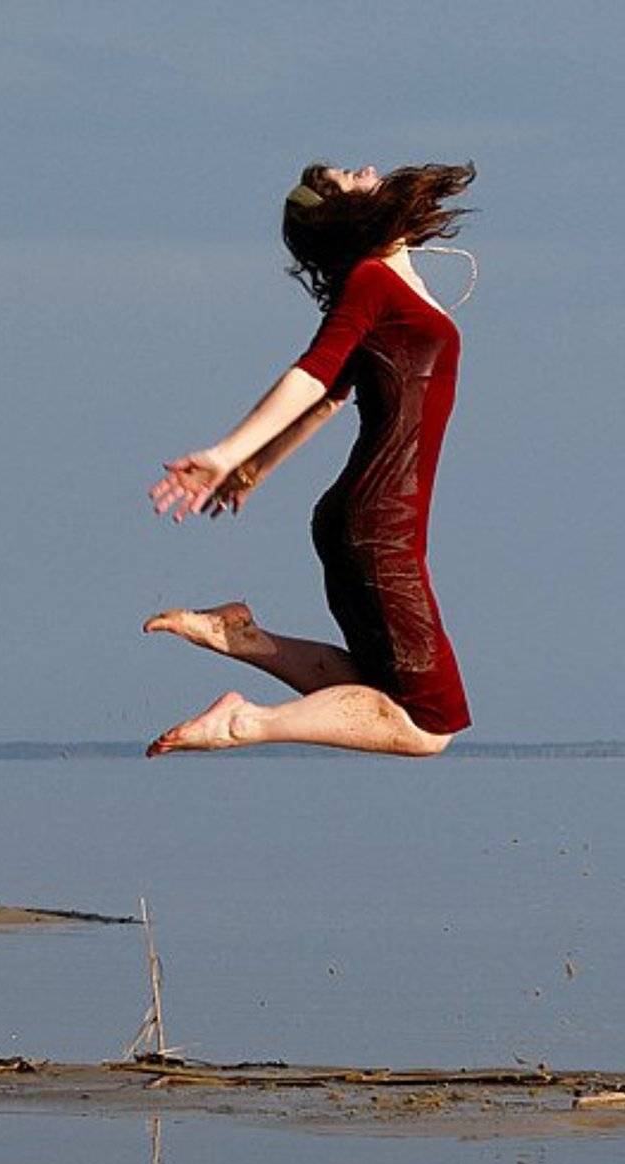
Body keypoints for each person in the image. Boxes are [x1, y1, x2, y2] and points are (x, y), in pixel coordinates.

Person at [144, 160, 477, 758]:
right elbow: (311, 373)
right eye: (350, 175)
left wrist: (254, 468)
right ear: (349, 212)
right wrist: (227, 452)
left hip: (371, 523)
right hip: (380, 529)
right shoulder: (372, 281)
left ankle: (242, 637)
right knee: (430, 726)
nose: (367, 169)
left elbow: (328, 401)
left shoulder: (389, 284)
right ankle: (245, 723)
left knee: (381, 694)